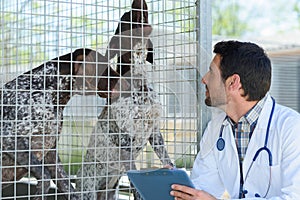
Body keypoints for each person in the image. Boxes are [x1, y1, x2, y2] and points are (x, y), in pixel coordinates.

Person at [170, 40, 300, 199]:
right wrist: (175, 186)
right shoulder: (216, 127)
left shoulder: (292, 127)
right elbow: (203, 187)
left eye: (211, 72)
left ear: (233, 82)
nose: (204, 79)